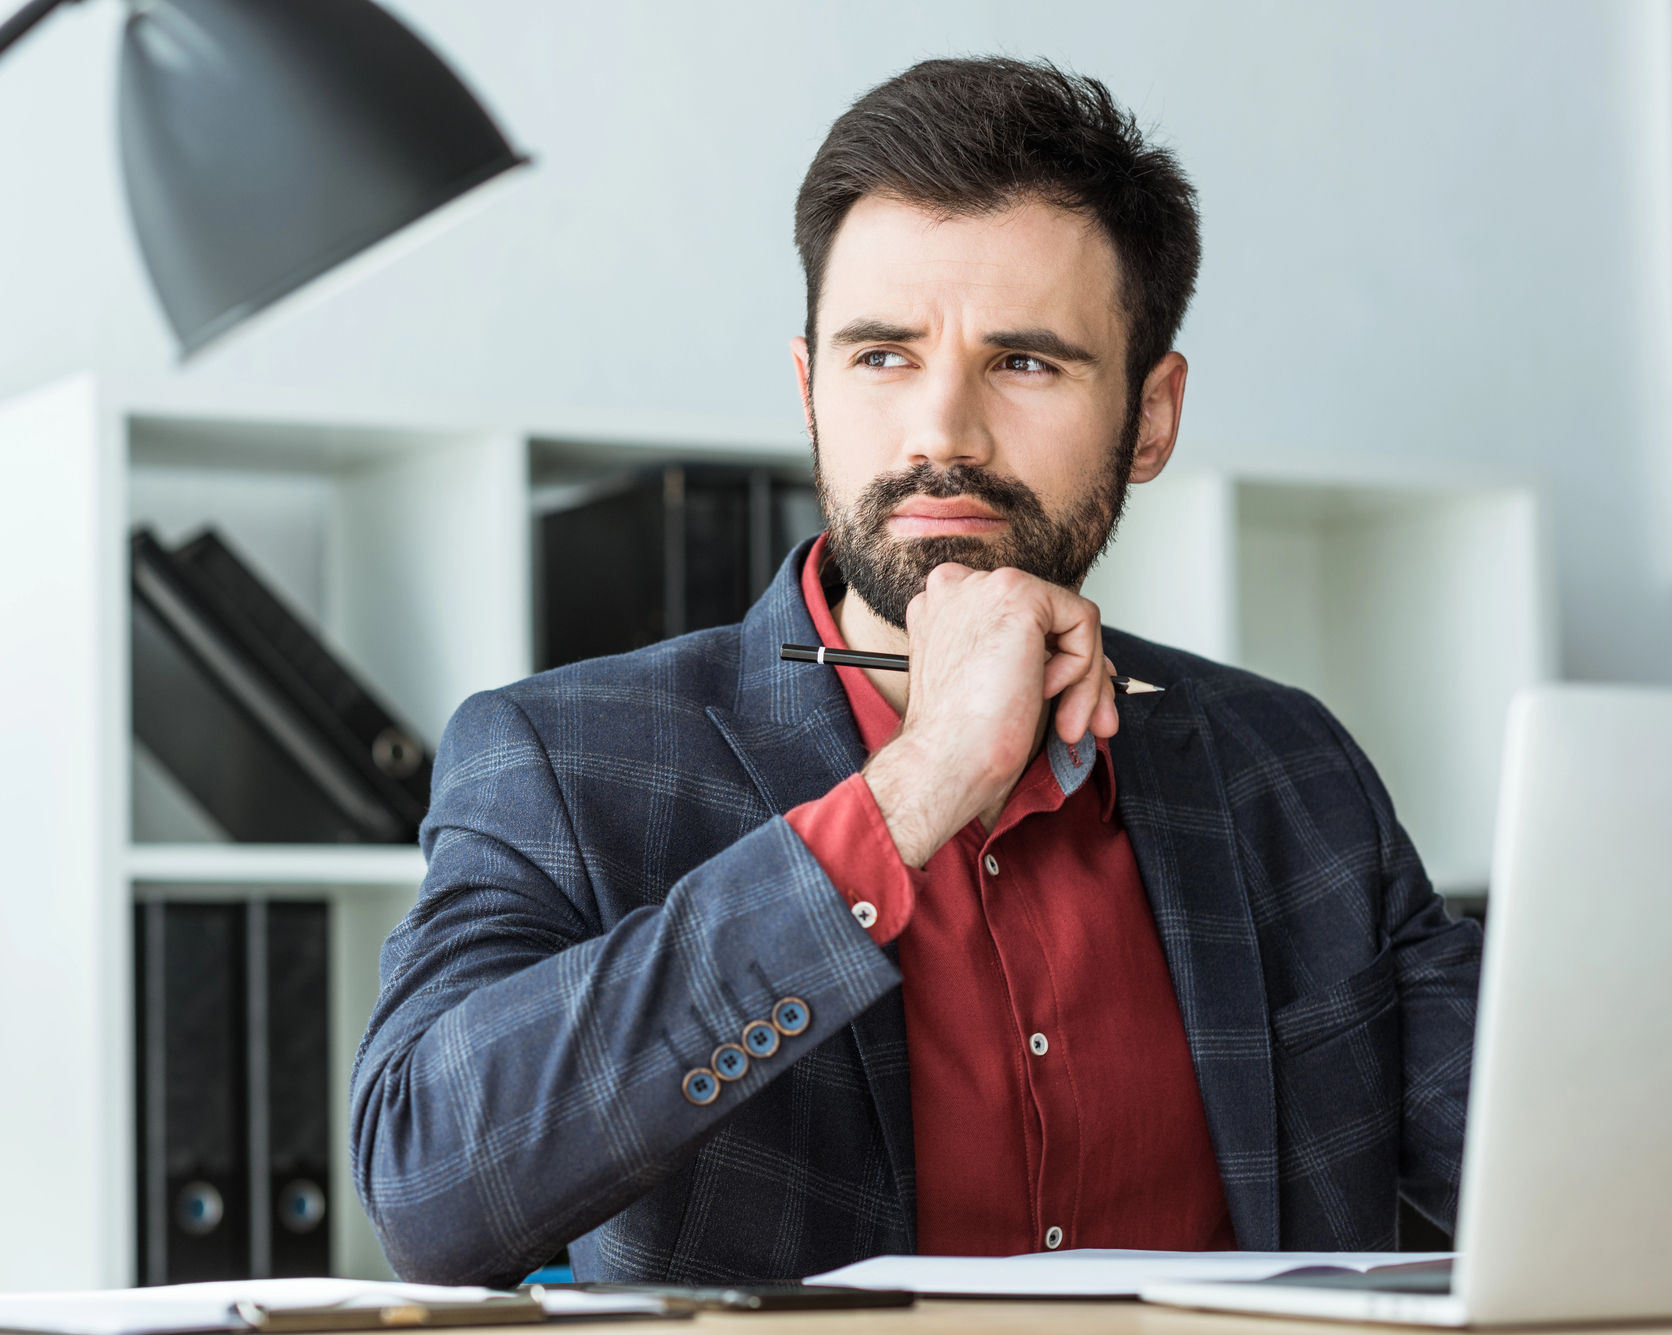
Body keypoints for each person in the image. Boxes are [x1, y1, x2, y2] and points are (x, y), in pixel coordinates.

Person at [349, 57, 1481, 1287]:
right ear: (809, 393)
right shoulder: (563, 759)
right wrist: (918, 784)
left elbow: (1550, 1146)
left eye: (1025, 362)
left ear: (1149, 419)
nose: (942, 430)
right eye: (881, 357)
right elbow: (426, 1191)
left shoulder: (1288, 765)